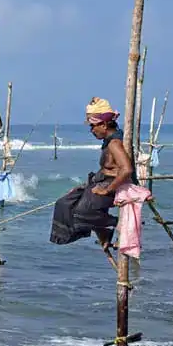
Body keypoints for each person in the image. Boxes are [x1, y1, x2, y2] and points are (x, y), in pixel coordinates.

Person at [50, 97, 133, 252]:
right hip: (100, 181)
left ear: (104, 124)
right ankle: (104, 233)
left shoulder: (115, 143)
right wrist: (85, 186)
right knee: (64, 203)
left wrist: (107, 190)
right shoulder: (108, 141)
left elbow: (126, 170)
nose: (92, 130)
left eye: (93, 126)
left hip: (112, 185)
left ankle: (116, 223)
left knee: (81, 213)